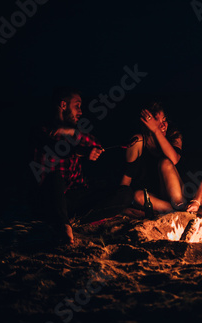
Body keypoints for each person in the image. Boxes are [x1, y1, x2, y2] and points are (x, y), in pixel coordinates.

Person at [31, 87, 133, 244]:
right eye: (77, 106)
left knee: (125, 193)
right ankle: (64, 225)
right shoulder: (42, 130)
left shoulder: (74, 133)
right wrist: (82, 152)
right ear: (63, 105)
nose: (80, 112)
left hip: (73, 200)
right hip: (50, 199)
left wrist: (72, 133)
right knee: (55, 178)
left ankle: (73, 219)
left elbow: (96, 145)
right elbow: (58, 151)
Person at [121, 102, 186, 213]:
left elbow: (174, 159)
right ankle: (175, 212)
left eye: (164, 120)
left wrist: (156, 130)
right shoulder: (139, 141)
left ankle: (179, 206)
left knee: (165, 162)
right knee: (137, 196)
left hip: (174, 193)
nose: (163, 125)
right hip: (153, 198)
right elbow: (127, 178)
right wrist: (121, 205)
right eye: (157, 122)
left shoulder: (174, 135)